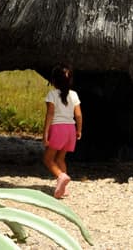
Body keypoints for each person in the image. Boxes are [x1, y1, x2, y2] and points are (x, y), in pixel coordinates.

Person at [43, 65, 83, 199]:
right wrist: (79, 130)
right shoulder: (74, 95)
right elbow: (78, 115)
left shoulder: (52, 95)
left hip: (57, 129)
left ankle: (61, 176)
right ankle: (64, 189)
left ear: (54, 81)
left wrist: (45, 133)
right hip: (70, 130)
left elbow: (50, 114)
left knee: (48, 159)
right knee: (60, 158)